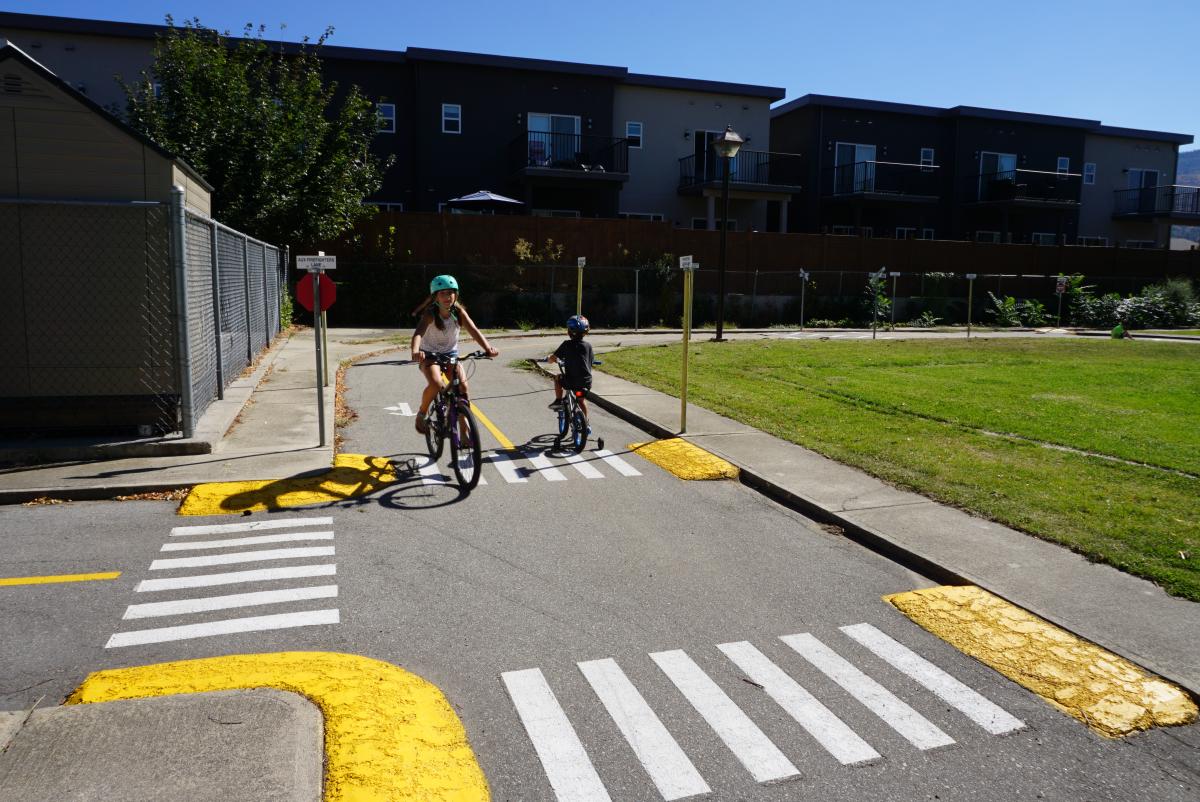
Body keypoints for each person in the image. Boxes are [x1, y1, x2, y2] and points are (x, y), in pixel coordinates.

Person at [410, 275, 498, 434]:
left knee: (463, 387)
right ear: (435, 296)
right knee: (436, 383)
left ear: (455, 295)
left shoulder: (459, 313)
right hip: (429, 354)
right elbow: (418, 334)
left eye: (450, 292)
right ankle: (422, 412)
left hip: (450, 354)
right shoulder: (430, 313)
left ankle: (463, 431)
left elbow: (474, 331)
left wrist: (488, 348)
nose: (447, 296)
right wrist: (416, 351)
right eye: (442, 293)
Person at [547, 314, 594, 421]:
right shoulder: (588, 346)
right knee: (581, 400)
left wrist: (550, 358)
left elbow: (553, 358)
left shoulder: (566, 345)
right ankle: (586, 424)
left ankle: (558, 400)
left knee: (558, 378)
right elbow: (590, 360)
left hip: (571, 381)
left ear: (569, 331)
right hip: (586, 382)